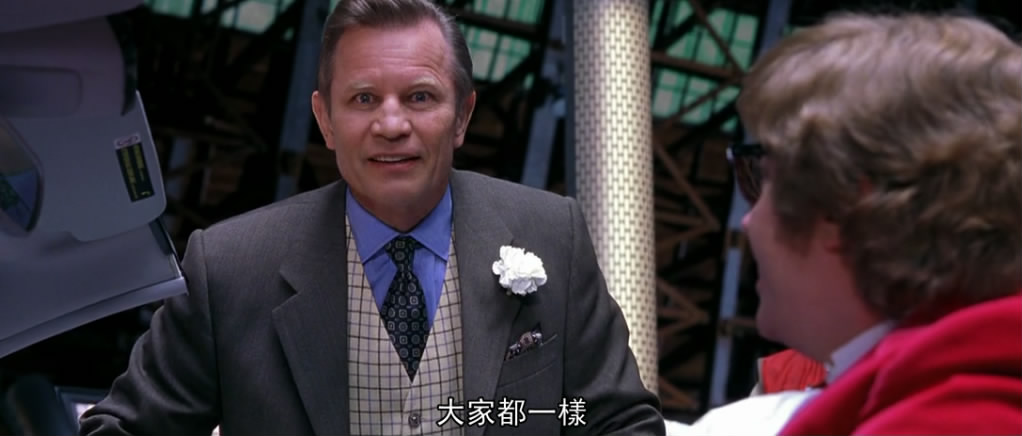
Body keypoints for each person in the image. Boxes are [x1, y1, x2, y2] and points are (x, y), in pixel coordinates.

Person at [79, 0, 663, 434]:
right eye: (363, 99)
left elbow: (621, 422)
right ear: (325, 119)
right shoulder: (231, 269)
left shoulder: (552, 235)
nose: (391, 125)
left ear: (462, 116)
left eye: (419, 97)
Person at [727, 11, 1022, 435]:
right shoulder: (964, 383)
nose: (747, 221)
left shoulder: (942, 421)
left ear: (838, 206)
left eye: (764, 178)